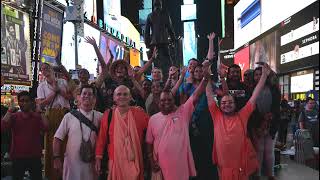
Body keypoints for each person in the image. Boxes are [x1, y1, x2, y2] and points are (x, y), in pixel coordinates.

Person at [206, 64, 272, 180]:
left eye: (230, 102)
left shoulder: (242, 115)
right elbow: (209, 95)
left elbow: (255, 95)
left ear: (236, 105)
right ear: (219, 106)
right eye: (224, 103)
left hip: (241, 167)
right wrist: (206, 74)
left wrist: (264, 76)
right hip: (223, 167)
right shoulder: (216, 115)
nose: (227, 104)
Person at [146, 75, 208, 180]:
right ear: (158, 102)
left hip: (180, 164)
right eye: (163, 100)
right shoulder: (153, 119)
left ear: (174, 100)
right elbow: (149, 142)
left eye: (169, 100)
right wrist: (151, 160)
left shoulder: (183, 112)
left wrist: (205, 79)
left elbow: (196, 95)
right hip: (160, 165)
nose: (166, 102)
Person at [95, 85, 149, 180]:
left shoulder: (139, 113)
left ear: (130, 97)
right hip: (115, 160)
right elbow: (102, 138)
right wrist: (98, 158)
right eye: (119, 94)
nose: (122, 97)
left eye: (125, 94)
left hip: (135, 160)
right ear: (114, 98)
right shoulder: (108, 115)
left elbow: (152, 131)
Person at [53, 85, 103, 180]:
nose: (87, 96)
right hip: (72, 164)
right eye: (84, 93)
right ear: (79, 97)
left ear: (94, 99)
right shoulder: (69, 116)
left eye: (90, 94)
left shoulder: (101, 117)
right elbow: (57, 139)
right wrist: (56, 158)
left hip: (92, 164)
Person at [1, 91, 48, 180]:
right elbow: (2, 127)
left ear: (31, 102)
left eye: (27, 100)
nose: (25, 103)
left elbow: (46, 127)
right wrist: (9, 111)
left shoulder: (37, 117)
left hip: (34, 156)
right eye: (22, 101)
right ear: (18, 103)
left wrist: (41, 112)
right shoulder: (14, 116)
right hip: (18, 157)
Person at [36, 62, 71, 180]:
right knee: (51, 144)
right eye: (43, 69)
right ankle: (52, 174)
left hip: (65, 113)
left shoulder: (62, 82)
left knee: (66, 143)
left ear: (51, 69)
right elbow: (41, 103)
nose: (45, 70)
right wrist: (54, 93)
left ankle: (66, 173)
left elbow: (69, 97)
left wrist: (59, 90)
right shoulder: (41, 86)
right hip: (51, 114)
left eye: (47, 68)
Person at [250, 66, 281, 180]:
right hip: (257, 125)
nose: (258, 76)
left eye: (261, 74)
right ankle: (258, 174)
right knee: (259, 151)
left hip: (272, 124)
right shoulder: (251, 89)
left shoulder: (273, 88)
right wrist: (261, 120)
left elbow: (277, 106)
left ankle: (271, 175)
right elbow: (251, 109)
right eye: (256, 74)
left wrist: (270, 117)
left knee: (269, 151)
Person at [145, 0, 176, 79]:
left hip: (154, 42)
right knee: (168, 61)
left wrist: (147, 43)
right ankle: (168, 76)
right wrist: (173, 40)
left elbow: (146, 32)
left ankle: (157, 77)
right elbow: (170, 28)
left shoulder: (150, 15)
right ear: (161, 5)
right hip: (164, 41)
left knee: (155, 62)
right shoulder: (165, 15)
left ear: (154, 5)